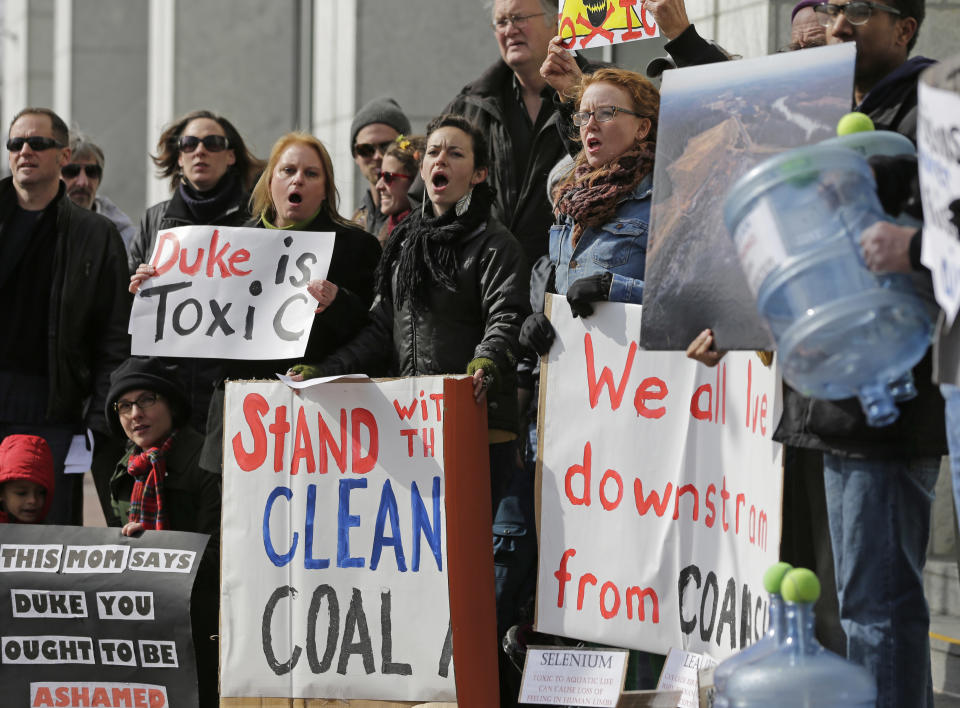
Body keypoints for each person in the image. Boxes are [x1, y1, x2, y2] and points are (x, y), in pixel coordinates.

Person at [290, 114, 531, 706]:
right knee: (430, 589)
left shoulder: (494, 242)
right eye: (432, 155)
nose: (440, 163)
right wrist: (322, 372)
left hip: (482, 431)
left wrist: (484, 365)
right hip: (416, 442)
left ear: (476, 173)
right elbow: (379, 332)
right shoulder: (403, 244)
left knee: (479, 591)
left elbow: (506, 315)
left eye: (454, 154)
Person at [195, 131, 383, 474]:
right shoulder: (229, 245)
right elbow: (196, 331)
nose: (298, 179)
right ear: (270, 183)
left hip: (320, 429)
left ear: (325, 189)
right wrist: (156, 287)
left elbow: (375, 334)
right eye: (288, 171)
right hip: (242, 427)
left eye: (311, 174)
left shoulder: (358, 248)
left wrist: (339, 302)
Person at [1, 107, 130, 525]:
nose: (25, 151)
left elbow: (115, 336)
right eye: (16, 143)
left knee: (47, 543)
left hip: (55, 409)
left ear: (63, 155)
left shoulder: (96, 234)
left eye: (38, 143)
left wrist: (95, 423)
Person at [128, 110, 262, 435]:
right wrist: (135, 288)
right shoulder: (154, 221)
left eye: (212, 143)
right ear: (179, 157)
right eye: (189, 144)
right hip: (167, 397)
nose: (200, 151)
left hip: (235, 398)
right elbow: (126, 318)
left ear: (231, 156)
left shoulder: (258, 221)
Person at [444, 0, 601, 266]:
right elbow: (428, 197)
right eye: (501, 22)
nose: (510, 30)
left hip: (572, 275)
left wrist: (576, 99)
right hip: (487, 281)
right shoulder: (469, 105)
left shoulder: (605, 88)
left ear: (556, 21)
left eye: (519, 18)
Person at [104, 356, 220, 705]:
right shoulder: (127, 471)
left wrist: (158, 549)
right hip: (149, 629)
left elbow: (221, 553)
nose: (134, 414)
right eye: (124, 406)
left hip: (201, 623)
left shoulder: (208, 463)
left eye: (146, 400)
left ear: (171, 404)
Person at [520, 67, 658, 351]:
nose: (590, 125)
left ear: (642, 128)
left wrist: (613, 289)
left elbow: (687, 303)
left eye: (606, 113)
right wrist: (539, 321)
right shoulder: (570, 200)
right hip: (577, 379)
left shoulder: (663, 198)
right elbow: (562, 291)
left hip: (641, 382)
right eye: (583, 116)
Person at [349, 97, 412, 236]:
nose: (377, 156)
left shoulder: (424, 215)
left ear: (406, 149)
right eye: (365, 149)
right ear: (355, 155)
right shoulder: (355, 221)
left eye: (387, 146)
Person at [63, 134, 137, 251]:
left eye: (91, 171)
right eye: (72, 171)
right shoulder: (38, 226)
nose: (83, 182)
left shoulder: (124, 237)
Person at [373, 134, 424, 245]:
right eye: (379, 175)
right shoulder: (384, 233)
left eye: (388, 177)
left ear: (416, 181)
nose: (379, 186)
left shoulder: (425, 237)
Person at [0, 434, 54, 524]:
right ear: (1, 492)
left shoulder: (52, 533)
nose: (32, 500)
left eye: (41, 493)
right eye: (22, 493)